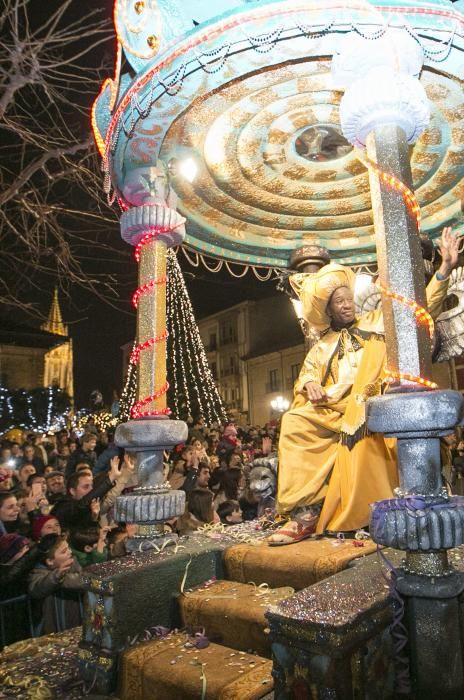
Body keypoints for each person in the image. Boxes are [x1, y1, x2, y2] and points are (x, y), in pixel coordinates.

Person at [269, 226, 459, 545]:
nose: (346, 305)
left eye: (348, 299)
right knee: (294, 421)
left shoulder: (375, 320)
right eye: (338, 301)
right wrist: (312, 385)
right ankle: (306, 511)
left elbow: (417, 312)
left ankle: (395, 508)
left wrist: (443, 270)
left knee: (370, 420)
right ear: (327, 309)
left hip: (374, 401)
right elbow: (307, 378)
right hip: (333, 409)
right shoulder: (321, 345)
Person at [29, 533, 86, 634]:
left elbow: (82, 580)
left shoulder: (73, 564)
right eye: (64, 551)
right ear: (50, 561)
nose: (70, 552)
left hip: (75, 617)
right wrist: (57, 575)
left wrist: (63, 578)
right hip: (53, 624)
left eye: (68, 548)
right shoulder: (39, 572)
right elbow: (37, 589)